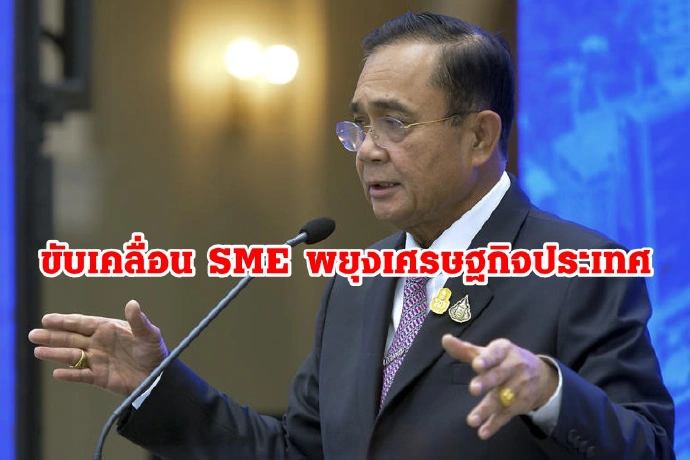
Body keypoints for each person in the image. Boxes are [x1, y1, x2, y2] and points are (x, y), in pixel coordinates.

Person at [29, 12, 675, 459]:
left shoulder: (579, 268)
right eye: (359, 125)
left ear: (480, 136)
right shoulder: (357, 282)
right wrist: (156, 384)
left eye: (395, 124)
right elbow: (296, 452)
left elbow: (648, 447)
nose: (367, 150)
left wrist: (552, 393)